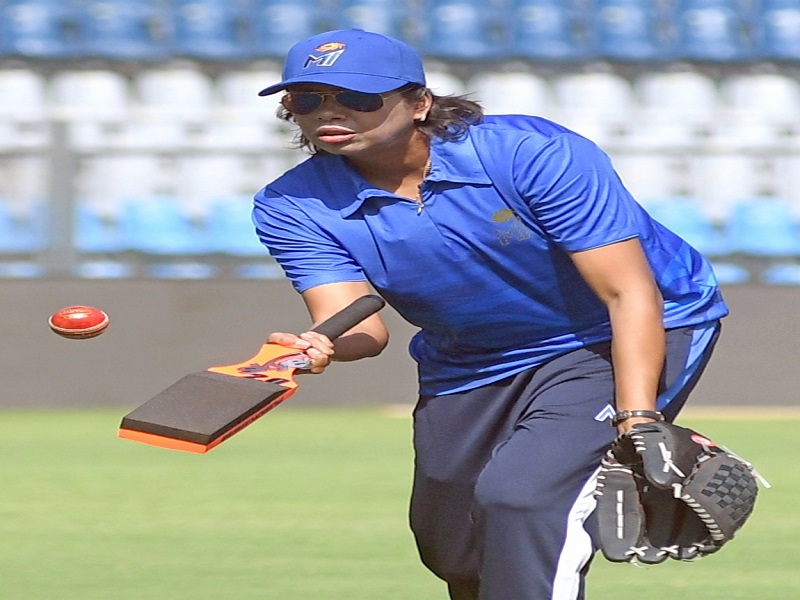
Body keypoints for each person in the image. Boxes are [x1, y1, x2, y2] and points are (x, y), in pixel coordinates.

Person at [251, 28, 728, 600]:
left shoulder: (529, 153)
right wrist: (318, 347)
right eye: (308, 99)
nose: (331, 113)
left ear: (419, 103)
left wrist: (637, 418)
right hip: (472, 358)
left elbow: (630, 294)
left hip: (611, 332)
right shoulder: (289, 204)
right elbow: (357, 323)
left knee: (524, 499)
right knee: (453, 541)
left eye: (358, 98)